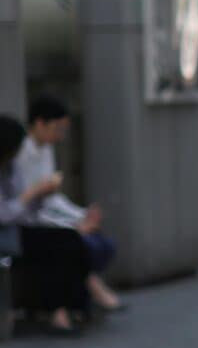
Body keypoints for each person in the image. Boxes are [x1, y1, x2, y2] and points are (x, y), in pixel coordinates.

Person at [0, 114, 92, 336]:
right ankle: (58, 311)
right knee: (57, 247)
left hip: (21, 228)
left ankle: (72, 305)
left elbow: (27, 208)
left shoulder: (12, 169)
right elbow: (0, 214)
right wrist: (31, 194)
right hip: (0, 234)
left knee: (70, 239)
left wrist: (40, 195)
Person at [15, 95, 125, 313]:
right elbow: (30, 205)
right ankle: (80, 296)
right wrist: (74, 223)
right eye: (57, 129)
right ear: (39, 124)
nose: (60, 136)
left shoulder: (45, 150)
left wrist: (80, 215)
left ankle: (82, 296)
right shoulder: (21, 154)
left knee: (96, 240)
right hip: (28, 222)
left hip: (43, 216)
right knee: (74, 242)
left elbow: (51, 197)